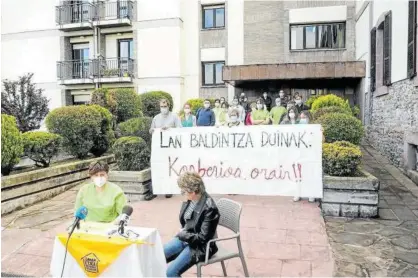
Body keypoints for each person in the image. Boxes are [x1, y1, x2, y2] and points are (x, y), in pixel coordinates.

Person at [164, 172, 220, 277]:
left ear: (193, 192)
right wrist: (184, 234)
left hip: (201, 247)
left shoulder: (210, 208)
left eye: (183, 191)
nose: (182, 193)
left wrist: (182, 234)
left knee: (171, 273)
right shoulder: (192, 200)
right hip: (187, 238)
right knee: (158, 255)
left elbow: (203, 238)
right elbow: (187, 222)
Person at [150, 98, 181, 199]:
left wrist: (169, 129)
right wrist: (156, 130)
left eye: (165, 106)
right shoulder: (156, 118)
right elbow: (150, 130)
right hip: (159, 148)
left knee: (169, 168)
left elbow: (180, 129)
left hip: (170, 148)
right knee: (158, 167)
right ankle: (157, 189)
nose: (163, 108)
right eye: (161, 107)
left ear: (168, 106)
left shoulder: (174, 117)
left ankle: (168, 189)